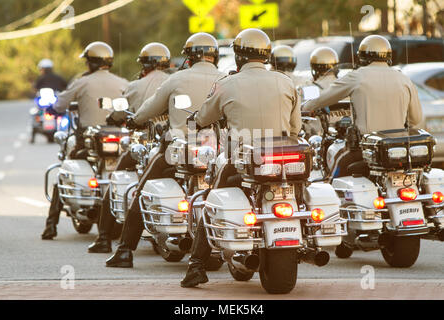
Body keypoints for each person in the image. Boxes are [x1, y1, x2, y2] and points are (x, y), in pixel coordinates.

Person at [180, 28, 302, 288]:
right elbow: (295, 129)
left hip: (243, 161)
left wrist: (195, 122)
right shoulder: (285, 82)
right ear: (266, 55)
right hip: (285, 158)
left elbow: (203, 118)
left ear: (238, 56)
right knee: (301, 191)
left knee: (212, 200)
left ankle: (197, 266)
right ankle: (307, 236)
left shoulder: (227, 84)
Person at [105, 32, 226, 267]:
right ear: (215, 56)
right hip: (217, 152)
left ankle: (124, 251)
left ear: (188, 57)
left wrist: (135, 120)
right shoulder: (226, 78)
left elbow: (148, 110)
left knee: (140, 193)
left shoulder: (177, 79)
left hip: (178, 151)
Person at [88, 42, 172, 253]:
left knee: (118, 178)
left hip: (147, 145)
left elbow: (122, 114)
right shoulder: (175, 80)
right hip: (190, 148)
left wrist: (118, 119)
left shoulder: (136, 86)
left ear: (146, 65)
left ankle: (105, 238)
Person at [41, 41, 128, 240]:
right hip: (121, 139)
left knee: (64, 171)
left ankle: (51, 225)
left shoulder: (82, 82)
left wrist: (52, 109)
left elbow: (61, 103)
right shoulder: (122, 82)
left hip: (89, 139)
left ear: (91, 63)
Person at [303, 35, 423, 177]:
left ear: (363, 57)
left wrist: (304, 108)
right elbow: (416, 120)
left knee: (333, 172)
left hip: (365, 150)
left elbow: (322, 98)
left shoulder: (358, 76)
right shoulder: (404, 79)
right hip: (398, 151)